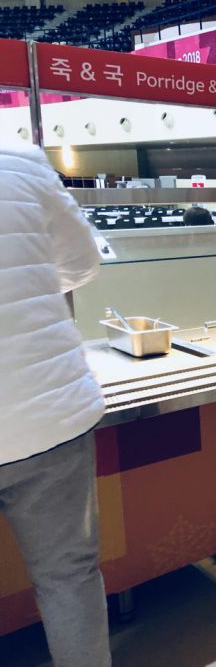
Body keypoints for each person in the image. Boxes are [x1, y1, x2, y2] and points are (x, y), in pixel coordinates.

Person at [0, 144, 111, 666]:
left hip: (48, 410)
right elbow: (81, 263)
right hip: (48, 414)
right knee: (69, 578)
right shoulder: (19, 159)